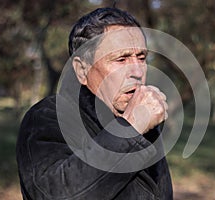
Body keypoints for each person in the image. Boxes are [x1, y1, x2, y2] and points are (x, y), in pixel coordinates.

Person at [16, 7, 173, 200]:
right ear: (82, 70)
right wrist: (129, 129)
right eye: (121, 59)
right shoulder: (47, 117)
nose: (137, 72)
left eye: (141, 58)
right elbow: (57, 195)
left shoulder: (145, 123)